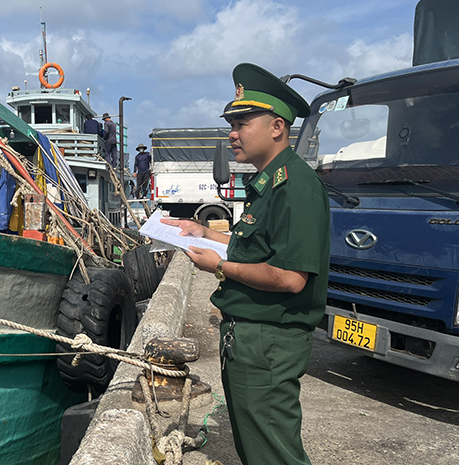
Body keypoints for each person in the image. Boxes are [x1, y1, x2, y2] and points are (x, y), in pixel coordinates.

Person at [162, 63, 330, 465]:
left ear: (277, 127)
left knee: (273, 453)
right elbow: (252, 245)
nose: (232, 134)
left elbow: (289, 278)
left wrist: (218, 268)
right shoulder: (269, 183)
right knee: (256, 450)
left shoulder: (295, 186)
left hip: (268, 341)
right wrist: (203, 233)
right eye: (231, 123)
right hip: (251, 337)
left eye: (242, 122)